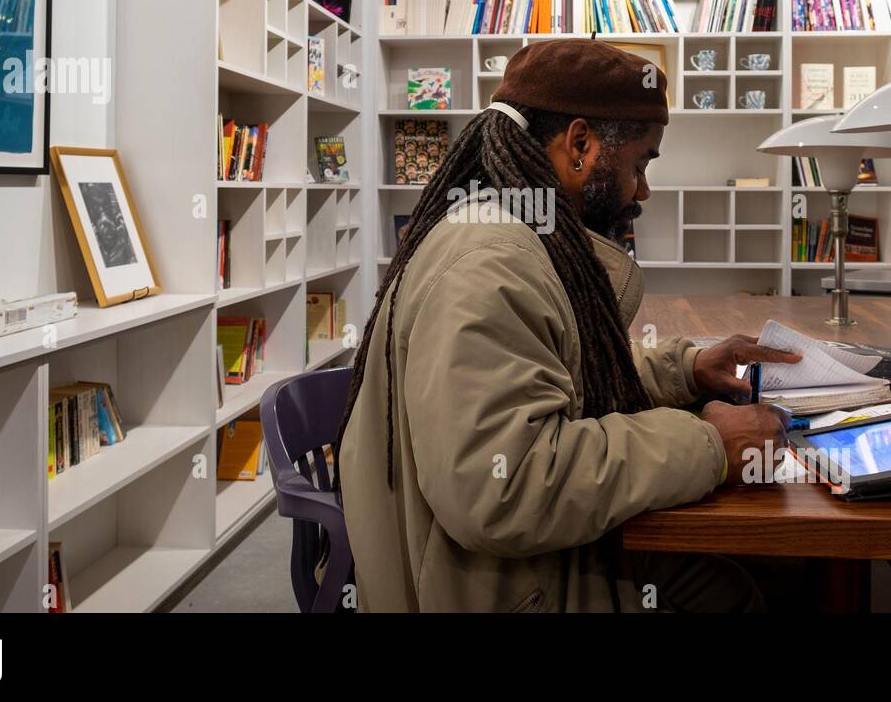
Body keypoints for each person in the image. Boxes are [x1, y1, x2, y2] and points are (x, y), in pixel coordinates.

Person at [336, 38, 800, 612]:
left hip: (508, 572)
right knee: (742, 589)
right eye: (639, 163)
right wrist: (710, 446)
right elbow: (506, 486)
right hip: (497, 588)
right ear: (580, 143)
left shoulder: (514, 234)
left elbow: (558, 365)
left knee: (752, 573)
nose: (644, 190)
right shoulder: (490, 265)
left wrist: (684, 369)